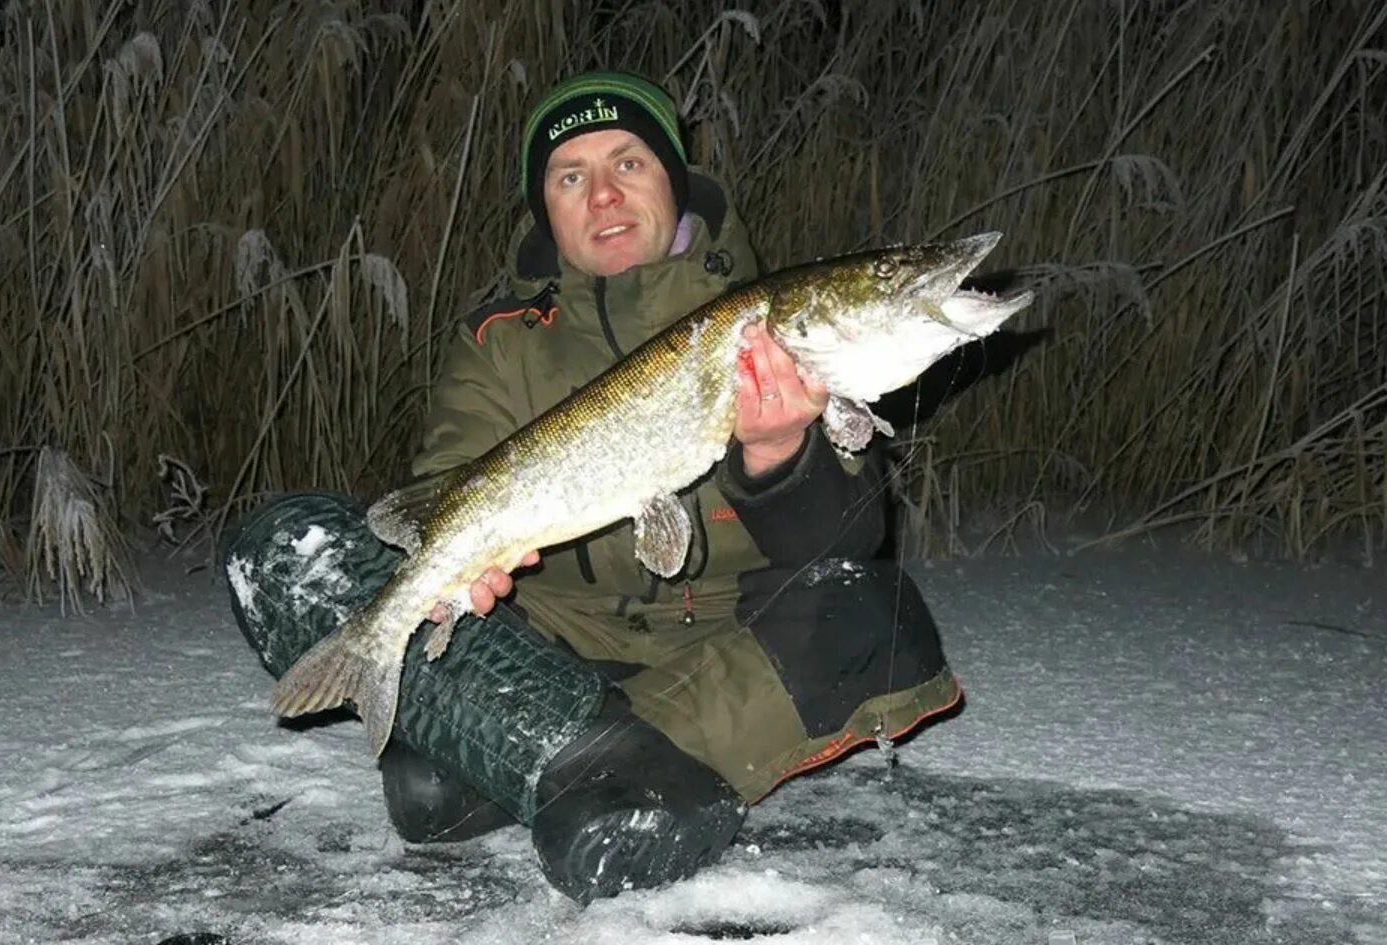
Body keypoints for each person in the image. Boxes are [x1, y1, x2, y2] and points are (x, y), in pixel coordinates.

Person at [224, 70, 961, 904]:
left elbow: (841, 544)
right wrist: (459, 572)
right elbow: (445, 484)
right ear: (547, 209)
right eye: (570, 176)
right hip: (550, 650)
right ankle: (603, 764)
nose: (603, 194)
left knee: (872, 617)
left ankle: (562, 757)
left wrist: (780, 447)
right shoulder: (502, 342)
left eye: (629, 163)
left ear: (673, 182)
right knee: (292, 544)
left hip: (733, 650)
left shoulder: (767, 326)